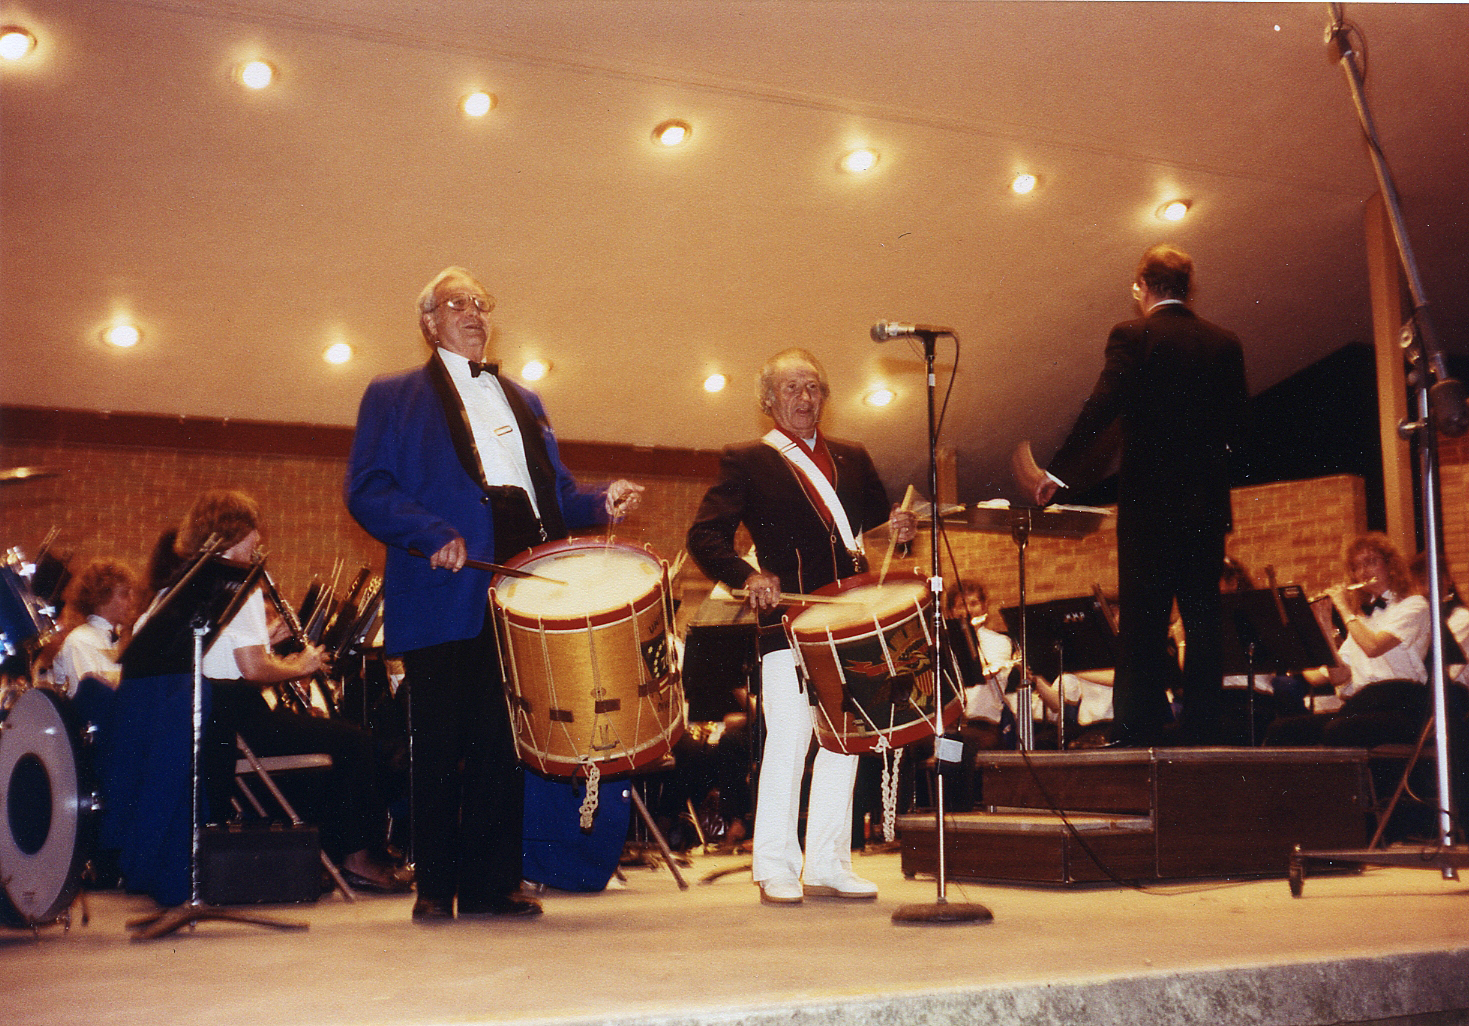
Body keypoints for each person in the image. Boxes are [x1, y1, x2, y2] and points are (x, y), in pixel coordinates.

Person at [346, 266, 642, 921]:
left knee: (503, 741)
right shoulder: (391, 395)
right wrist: (429, 534)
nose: (475, 314)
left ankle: (487, 887)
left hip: (523, 577)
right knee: (440, 739)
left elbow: (555, 493)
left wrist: (601, 499)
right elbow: (366, 486)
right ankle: (434, 889)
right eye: (459, 304)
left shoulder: (526, 400)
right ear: (429, 322)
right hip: (445, 578)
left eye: (482, 304)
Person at [687, 348, 916, 905]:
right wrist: (747, 575)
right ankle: (774, 864)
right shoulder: (746, 459)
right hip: (787, 619)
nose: (804, 397)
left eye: (813, 387)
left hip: (851, 619)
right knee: (790, 739)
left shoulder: (854, 456)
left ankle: (830, 862)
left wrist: (900, 530)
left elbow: (879, 530)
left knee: (845, 742)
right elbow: (706, 537)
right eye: (791, 388)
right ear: (768, 401)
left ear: (826, 396)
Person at [1016, 244, 1249, 746]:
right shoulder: (1224, 343)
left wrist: (1059, 473)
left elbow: (1102, 407)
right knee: (1203, 619)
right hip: (1205, 507)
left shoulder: (1133, 335)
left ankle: (1136, 731)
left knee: (1143, 619)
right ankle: (1203, 732)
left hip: (1149, 505)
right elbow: (1238, 425)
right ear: (1187, 288)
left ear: (1141, 288)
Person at [167, 489, 412, 895]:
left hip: (214, 716)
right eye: (251, 532)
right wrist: (301, 664)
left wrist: (268, 638)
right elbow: (253, 668)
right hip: (238, 715)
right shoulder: (239, 585)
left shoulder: (196, 580)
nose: (258, 540)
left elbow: (231, 653)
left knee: (328, 735)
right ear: (232, 532)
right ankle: (357, 858)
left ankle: (336, 853)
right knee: (356, 741)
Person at [1265, 533, 1433, 747]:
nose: (1363, 573)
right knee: (1282, 730)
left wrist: (1344, 609)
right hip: (1364, 703)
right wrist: (1324, 623)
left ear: (1390, 566)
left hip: (1400, 703)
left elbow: (1374, 647)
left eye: (1370, 563)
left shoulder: (1414, 605)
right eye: (1356, 567)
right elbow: (1338, 676)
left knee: (1338, 731)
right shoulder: (1362, 619)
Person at [50, 559, 138, 698]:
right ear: (103, 597)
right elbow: (93, 699)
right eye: (125, 594)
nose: (132, 600)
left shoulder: (121, 639)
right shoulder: (80, 640)